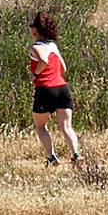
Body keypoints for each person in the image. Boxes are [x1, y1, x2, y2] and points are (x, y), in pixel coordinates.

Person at [26, 11, 84, 168]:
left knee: (40, 126)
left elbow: (43, 60)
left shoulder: (34, 47)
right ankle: (75, 155)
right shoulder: (53, 46)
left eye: (32, 26)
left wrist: (35, 74)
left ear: (36, 30)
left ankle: (51, 156)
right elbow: (63, 68)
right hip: (61, 87)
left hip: (45, 88)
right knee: (66, 126)